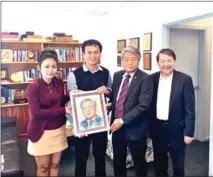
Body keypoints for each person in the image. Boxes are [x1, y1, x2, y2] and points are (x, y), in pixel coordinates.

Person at [67, 39, 112, 176]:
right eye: (89, 52)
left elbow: (110, 92)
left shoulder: (105, 72)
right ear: (84, 54)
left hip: (100, 122)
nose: (93, 55)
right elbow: (71, 103)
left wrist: (107, 91)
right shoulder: (74, 75)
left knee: (100, 157)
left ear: (100, 54)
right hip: (83, 125)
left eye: (96, 52)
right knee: (81, 157)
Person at [148, 48, 195, 177]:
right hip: (157, 128)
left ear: (174, 62)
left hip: (177, 129)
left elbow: (189, 108)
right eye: (162, 61)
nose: (166, 64)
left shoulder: (185, 79)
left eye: (169, 60)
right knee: (159, 162)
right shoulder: (151, 79)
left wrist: (189, 132)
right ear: (158, 63)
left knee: (178, 163)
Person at [26, 49, 72, 176]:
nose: (50, 70)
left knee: (55, 165)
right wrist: (63, 110)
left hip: (58, 129)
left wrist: (73, 95)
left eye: (53, 66)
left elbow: (60, 100)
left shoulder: (58, 82)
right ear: (39, 67)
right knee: (43, 167)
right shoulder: (33, 87)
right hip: (41, 132)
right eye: (46, 66)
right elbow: (37, 113)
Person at [109, 46, 153, 177]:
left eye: (133, 59)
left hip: (136, 128)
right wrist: (108, 105)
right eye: (126, 59)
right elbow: (117, 98)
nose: (129, 62)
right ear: (121, 61)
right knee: (118, 161)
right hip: (117, 127)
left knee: (139, 162)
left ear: (138, 61)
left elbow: (143, 105)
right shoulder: (117, 76)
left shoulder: (146, 78)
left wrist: (122, 120)